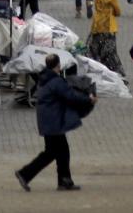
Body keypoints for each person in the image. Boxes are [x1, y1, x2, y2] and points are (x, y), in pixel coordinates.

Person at [16, 54, 95, 192]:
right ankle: (26, 174)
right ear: (58, 66)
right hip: (53, 123)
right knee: (54, 152)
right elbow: (71, 96)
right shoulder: (56, 82)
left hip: (48, 121)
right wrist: (88, 99)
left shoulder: (44, 79)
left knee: (59, 151)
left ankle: (64, 180)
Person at [88, 0, 124, 75]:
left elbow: (95, 6)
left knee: (95, 49)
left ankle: (96, 68)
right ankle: (113, 71)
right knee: (110, 52)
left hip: (97, 25)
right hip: (108, 27)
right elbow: (118, 11)